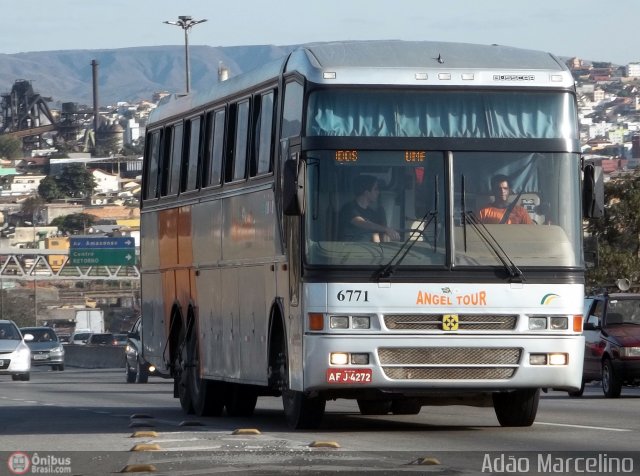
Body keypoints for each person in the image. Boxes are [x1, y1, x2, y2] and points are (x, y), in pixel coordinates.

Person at [339, 175, 400, 242]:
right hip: (349, 250)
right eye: (375, 189)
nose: (378, 192)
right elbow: (361, 222)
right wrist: (386, 229)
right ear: (366, 192)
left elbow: (375, 237)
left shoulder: (372, 213)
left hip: (367, 251)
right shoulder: (348, 209)